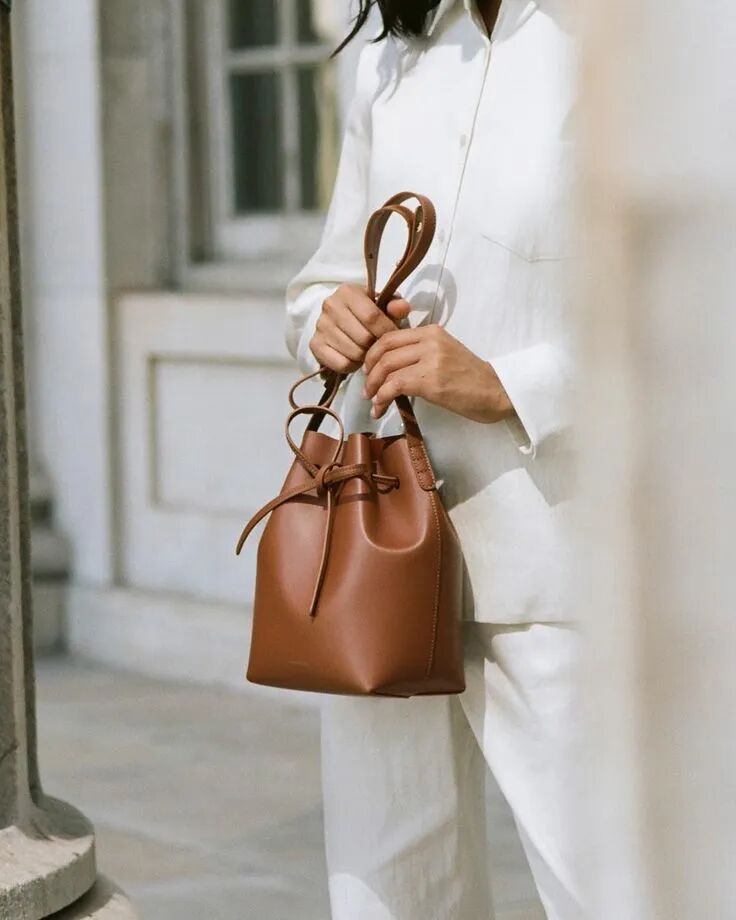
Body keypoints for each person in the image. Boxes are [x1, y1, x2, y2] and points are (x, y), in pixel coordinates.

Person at [286, 1, 581, 917]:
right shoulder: (392, 52)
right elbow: (326, 276)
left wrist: (510, 384)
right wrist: (326, 318)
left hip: (564, 556)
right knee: (389, 890)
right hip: (374, 553)